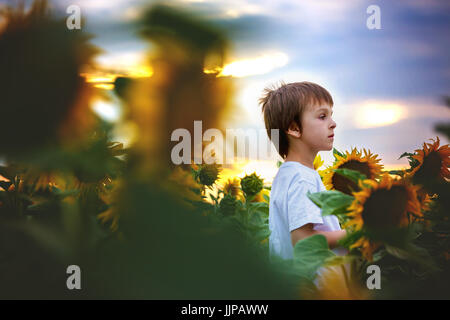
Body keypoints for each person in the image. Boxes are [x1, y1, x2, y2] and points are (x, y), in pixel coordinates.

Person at [259, 81, 347, 260]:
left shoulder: (291, 174)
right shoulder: (301, 177)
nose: (333, 123)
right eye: (322, 116)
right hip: (312, 286)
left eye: (331, 115)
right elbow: (302, 240)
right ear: (294, 128)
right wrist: (357, 234)